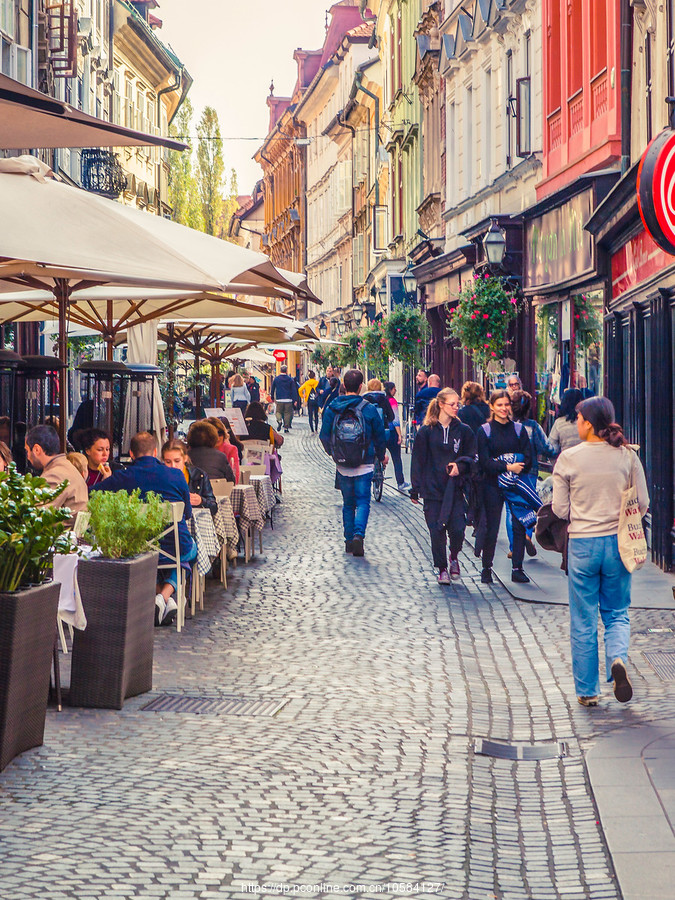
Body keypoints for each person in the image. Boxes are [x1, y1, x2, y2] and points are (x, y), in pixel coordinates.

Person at [552, 397, 649, 707]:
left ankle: (587, 690)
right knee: (617, 613)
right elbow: (643, 502)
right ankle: (617, 659)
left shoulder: (569, 459)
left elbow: (560, 509)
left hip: (583, 542)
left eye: (578, 419)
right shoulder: (627, 456)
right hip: (618, 543)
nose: (575, 423)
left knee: (583, 619)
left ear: (589, 424)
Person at [91, 431, 197, 627]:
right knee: (189, 551)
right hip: (175, 545)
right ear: (156, 452)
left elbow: (92, 494)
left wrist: (106, 480)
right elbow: (187, 513)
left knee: (157, 558)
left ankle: (159, 595)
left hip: (138, 547)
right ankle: (165, 596)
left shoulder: (122, 477)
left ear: (131, 454)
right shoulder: (175, 475)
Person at [319, 368, 387, 557]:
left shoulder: (333, 407)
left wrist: (333, 453)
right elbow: (380, 436)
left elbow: (324, 435)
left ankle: (349, 541)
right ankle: (358, 535)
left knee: (348, 503)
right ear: (360, 386)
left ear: (343, 386)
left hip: (342, 464)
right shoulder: (369, 408)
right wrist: (381, 456)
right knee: (363, 501)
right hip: (364, 462)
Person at [410, 388, 476, 582]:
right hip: (433, 490)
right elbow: (418, 460)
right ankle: (442, 569)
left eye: (458, 404)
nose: (456, 408)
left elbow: (472, 456)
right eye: (452, 404)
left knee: (457, 529)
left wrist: (460, 466)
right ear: (441, 405)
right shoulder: (426, 432)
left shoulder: (464, 431)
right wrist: (416, 488)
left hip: (455, 489)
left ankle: (454, 555)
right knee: (436, 531)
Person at [476, 390, 532, 585]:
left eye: (506, 404)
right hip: (491, 485)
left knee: (518, 526)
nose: (503, 408)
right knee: (491, 527)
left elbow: (528, 458)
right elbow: (484, 462)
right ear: (491, 406)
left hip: (516, 485)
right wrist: (508, 465)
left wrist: (512, 466)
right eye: (499, 405)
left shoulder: (519, 430)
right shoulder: (485, 431)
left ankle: (518, 568)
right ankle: (486, 567)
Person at [508, 390, 557, 557]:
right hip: (529, 472)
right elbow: (546, 447)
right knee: (528, 505)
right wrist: (556, 451)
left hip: (509, 472)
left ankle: (514, 546)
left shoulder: (507, 426)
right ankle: (527, 535)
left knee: (511, 509)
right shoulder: (533, 426)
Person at [24, 425, 89, 525]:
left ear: (37, 449)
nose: (27, 456)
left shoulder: (55, 474)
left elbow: (36, 516)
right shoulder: (65, 466)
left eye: (27, 450)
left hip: (63, 537)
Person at [162, 438, 217, 515]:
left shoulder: (200, 475)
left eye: (177, 461)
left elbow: (214, 507)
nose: (173, 466)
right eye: (168, 462)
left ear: (185, 458)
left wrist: (201, 501)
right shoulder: (159, 478)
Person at [384, 381, 410, 492]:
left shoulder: (382, 400)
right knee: (396, 458)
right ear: (390, 390)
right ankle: (400, 482)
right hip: (392, 432)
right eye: (394, 389)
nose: (396, 391)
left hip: (382, 431)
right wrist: (399, 434)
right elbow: (395, 419)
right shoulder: (392, 401)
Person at [205, 416, 240, 483]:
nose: (218, 438)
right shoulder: (202, 451)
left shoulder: (231, 449)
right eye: (214, 434)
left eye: (220, 433)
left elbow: (235, 478)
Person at [549, 389, 584, 454]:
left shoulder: (559, 423)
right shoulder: (587, 422)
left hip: (566, 461)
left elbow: (552, 448)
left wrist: (557, 462)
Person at [271, 364, 299, 433]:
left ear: (280, 370)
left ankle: (279, 420)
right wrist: (295, 399)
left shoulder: (276, 379)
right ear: (286, 371)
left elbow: (273, 388)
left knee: (278, 412)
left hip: (279, 399)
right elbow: (293, 390)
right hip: (288, 399)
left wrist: (272, 397)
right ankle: (286, 427)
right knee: (287, 413)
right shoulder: (290, 379)